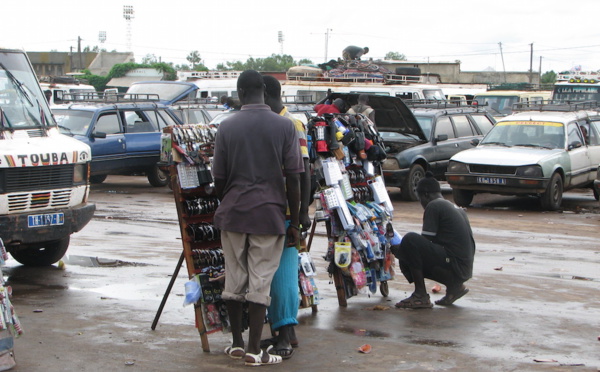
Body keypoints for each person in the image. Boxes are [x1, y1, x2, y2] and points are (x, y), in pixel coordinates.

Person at [212, 70, 303, 366]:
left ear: (240, 93)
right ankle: (254, 350)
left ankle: (237, 342)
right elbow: (295, 177)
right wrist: (296, 222)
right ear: (264, 92)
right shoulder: (285, 126)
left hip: (234, 214)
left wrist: (230, 197)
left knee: (235, 279)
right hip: (269, 215)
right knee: (260, 282)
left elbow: (219, 177)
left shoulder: (227, 127)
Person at [260, 75, 312, 359]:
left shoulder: (291, 123)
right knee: (279, 273)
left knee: (282, 275)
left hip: (286, 212)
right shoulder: (279, 123)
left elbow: (303, 172)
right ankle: (285, 331)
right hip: (277, 210)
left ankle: (285, 335)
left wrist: (300, 214)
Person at [392, 172, 475, 308]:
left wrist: (401, 250)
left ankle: (420, 295)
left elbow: (422, 243)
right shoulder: (453, 207)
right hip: (463, 269)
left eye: (420, 199)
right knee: (409, 246)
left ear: (425, 194)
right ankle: (455, 288)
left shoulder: (434, 206)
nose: (421, 204)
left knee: (410, 240)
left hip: (455, 267)